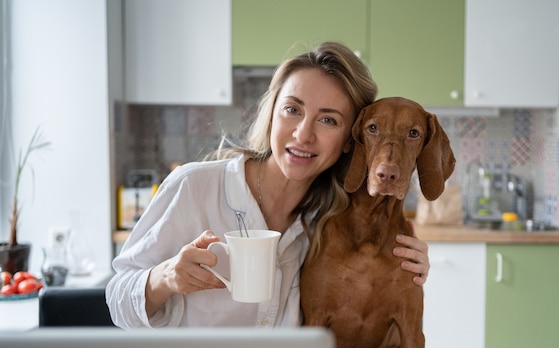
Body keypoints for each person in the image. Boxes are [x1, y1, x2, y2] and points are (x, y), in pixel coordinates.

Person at [106, 41, 431, 328]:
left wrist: (402, 269)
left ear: (350, 140)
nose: (303, 134)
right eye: (293, 109)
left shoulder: (331, 219)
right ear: (272, 113)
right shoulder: (194, 187)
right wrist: (164, 278)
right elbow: (117, 301)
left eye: (328, 119)